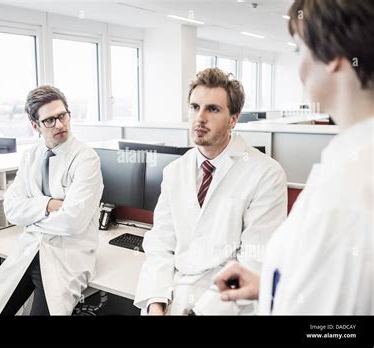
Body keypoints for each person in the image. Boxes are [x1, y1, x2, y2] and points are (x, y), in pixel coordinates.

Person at [215, 0, 373, 314]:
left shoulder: (354, 182)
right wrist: (268, 287)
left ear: (332, 56)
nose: (299, 69)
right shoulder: (349, 157)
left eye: (299, 50)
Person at [133, 68, 288, 315]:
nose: (199, 118)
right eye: (195, 107)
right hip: (173, 298)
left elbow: (253, 261)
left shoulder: (266, 173)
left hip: (226, 306)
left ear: (233, 119)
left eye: (212, 109)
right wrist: (155, 302)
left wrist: (198, 313)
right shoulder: (174, 171)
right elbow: (160, 243)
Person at [0, 85, 104, 315]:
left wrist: (30, 216)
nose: (60, 125)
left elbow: (72, 221)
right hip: (29, 248)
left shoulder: (86, 159)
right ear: (35, 126)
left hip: (66, 256)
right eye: (50, 120)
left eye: (62, 115)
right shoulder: (31, 157)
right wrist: (49, 204)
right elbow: (11, 209)